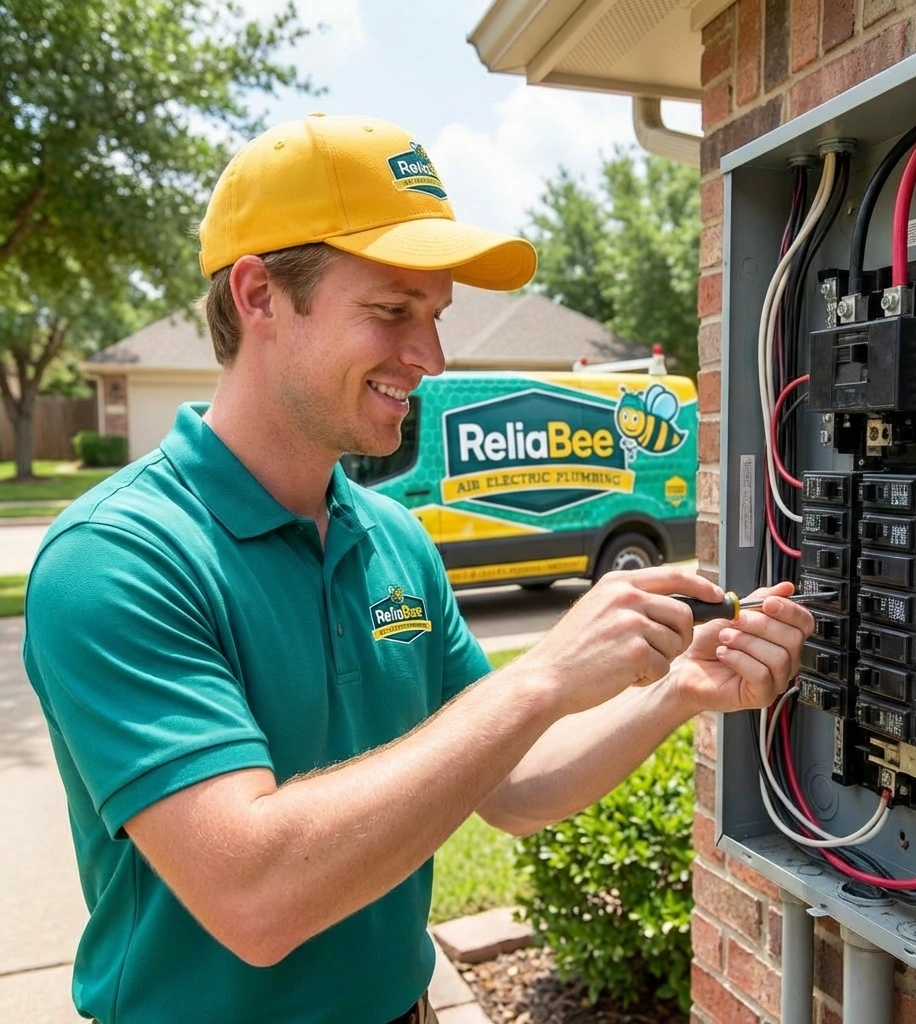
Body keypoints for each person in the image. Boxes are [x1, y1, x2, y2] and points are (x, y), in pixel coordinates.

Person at [23, 114, 813, 1024]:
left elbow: (513, 786)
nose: (430, 358)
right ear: (259, 296)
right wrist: (542, 678)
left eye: (434, 317)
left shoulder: (391, 536)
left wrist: (676, 693)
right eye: (391, 311)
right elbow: (255, 896)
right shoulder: (118, 559)